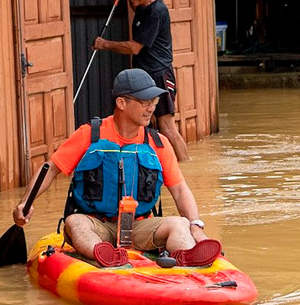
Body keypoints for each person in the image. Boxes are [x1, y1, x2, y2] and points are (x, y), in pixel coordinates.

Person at [12, 69, 218, 268]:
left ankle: (188, 261)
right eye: (145, 102)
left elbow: (181, 190)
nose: (151, 108)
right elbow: (51, 169)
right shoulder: (89, 135)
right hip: (96, 225)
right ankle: (104, 255)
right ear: (121, 103)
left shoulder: (158, 142)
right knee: (74, 223)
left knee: (180, 224)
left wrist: (195, 226)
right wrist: (25, 204)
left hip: (138, 226)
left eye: (153, 102)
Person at [91, 0, 190, 161]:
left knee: (167, 127)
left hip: (159, 74)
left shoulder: (156, 12)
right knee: (146, 125)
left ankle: (186, 168)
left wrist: (105, 44)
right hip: (144, 75)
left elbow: (135, 48)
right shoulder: (142, 6)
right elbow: (134, 3)